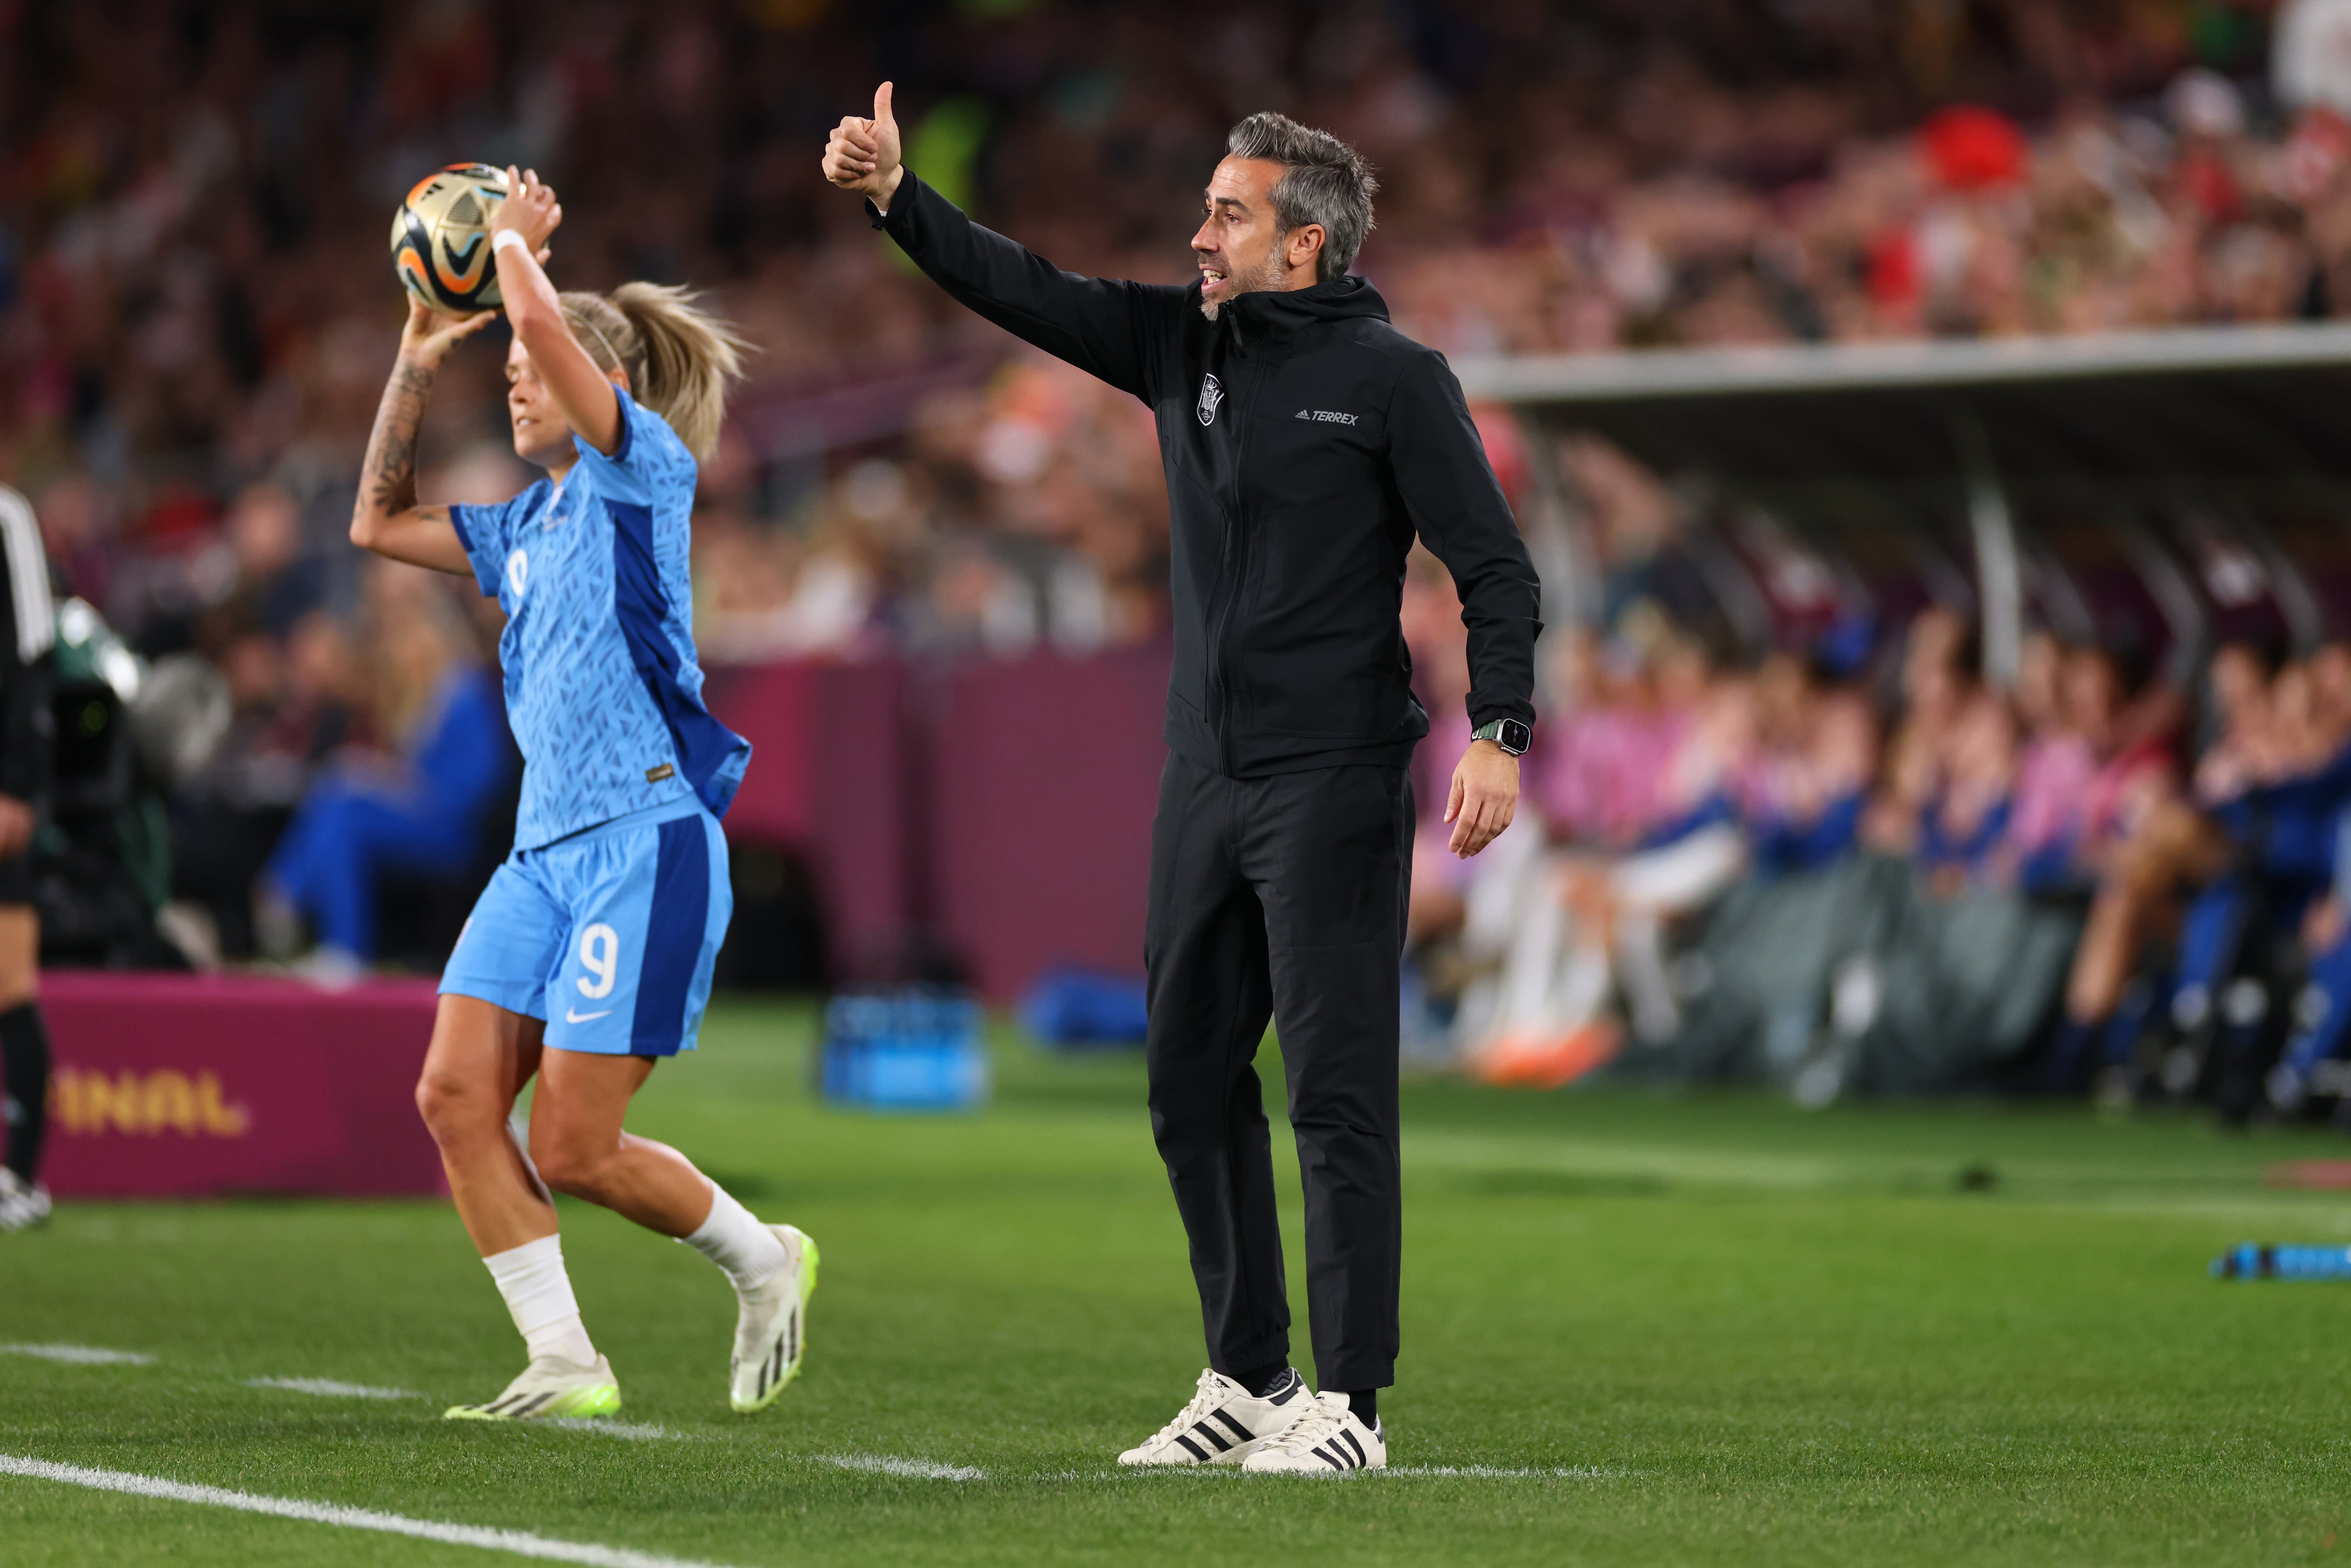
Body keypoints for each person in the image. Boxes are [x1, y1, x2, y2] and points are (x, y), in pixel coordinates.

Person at [826, 91, 1541, 1473]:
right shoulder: (1177, 345)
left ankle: (1351, 1406)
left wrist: (1498, 732)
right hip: (1204, 777)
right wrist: (898, 200)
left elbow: (1493, 564)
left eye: (1228, 213)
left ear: (1305, 249)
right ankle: (1249, 1373)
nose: (1197, 234)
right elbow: (1022, 289)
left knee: (1334, 1092)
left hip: (1333, 778)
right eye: (1205, 207)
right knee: (1184, 1076)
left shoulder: (1396, 381)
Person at [347, 167, 812, 1421]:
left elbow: (547, 331)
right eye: (503, 376)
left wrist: (513, 253)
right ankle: (565, 1357)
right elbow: (377, 522)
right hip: (541, 856)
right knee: (451, 1095)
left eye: (528, 372)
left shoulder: (639, 473)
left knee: (574, 1145)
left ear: (593, 391)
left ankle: (764, 1255)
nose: (514, 382)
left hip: (643, 841)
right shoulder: (525, 526)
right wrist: (415, 349)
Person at [257, 579, 513, 978]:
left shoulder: (464, 691)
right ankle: (302, 911)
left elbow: (475, 789)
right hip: (427, 818)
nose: (400, 652)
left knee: (345, 805)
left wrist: (400, 785)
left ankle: (300, 907)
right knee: (340, 790)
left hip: (459, 834)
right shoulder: (419, 699)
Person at [0, 484, 55, 1232]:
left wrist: (19, 783)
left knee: (8, 985)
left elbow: (34, 649)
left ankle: (21, 1173)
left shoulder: (7, 514)